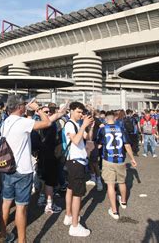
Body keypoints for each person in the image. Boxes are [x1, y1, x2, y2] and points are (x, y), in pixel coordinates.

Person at [0, 95, 51, 243]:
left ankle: (3, 236)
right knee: (21, 208)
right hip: (22, 170)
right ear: (19, 107)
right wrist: (39, 109)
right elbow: (47, 122)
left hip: (6, 168)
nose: (25, 107)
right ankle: (22, 240)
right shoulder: (24, 122)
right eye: (24, 104)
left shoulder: (5, 122)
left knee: (6, 203)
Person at [63, 102, 94, 237]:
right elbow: (75, 140)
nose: (80, 114)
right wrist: (84, 126)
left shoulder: (77, 124)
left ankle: (69, 215)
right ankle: (75, 225)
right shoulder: (70, 124)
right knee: (78, 193)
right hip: (75, 162)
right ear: (71, 111)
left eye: (82, 112)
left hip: (76, 161)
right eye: (78, 112)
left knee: (71, 188)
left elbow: (88, 138)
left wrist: (90, 127)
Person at [99, 110, 137, 220]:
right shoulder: (121, 129)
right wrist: (132, 158)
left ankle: (114, 211)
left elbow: (99, 144)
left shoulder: (103, 129)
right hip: (120, 159)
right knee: (122, 182)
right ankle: (123, 201)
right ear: (114, 118)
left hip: (108, 159)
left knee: (110, 185)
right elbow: (127, 145)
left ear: (106, 119)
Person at [37, 104, 68, 214]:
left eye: (49, 111)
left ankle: (42, 198)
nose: (48, 113)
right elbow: (58, 114)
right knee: (49, 180)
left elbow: (60, 114)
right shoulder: (45, 123)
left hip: (48, 154)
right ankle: (49, 205)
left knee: (45, 179)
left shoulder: (43, 123)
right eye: (45, 112)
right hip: (48, 155)